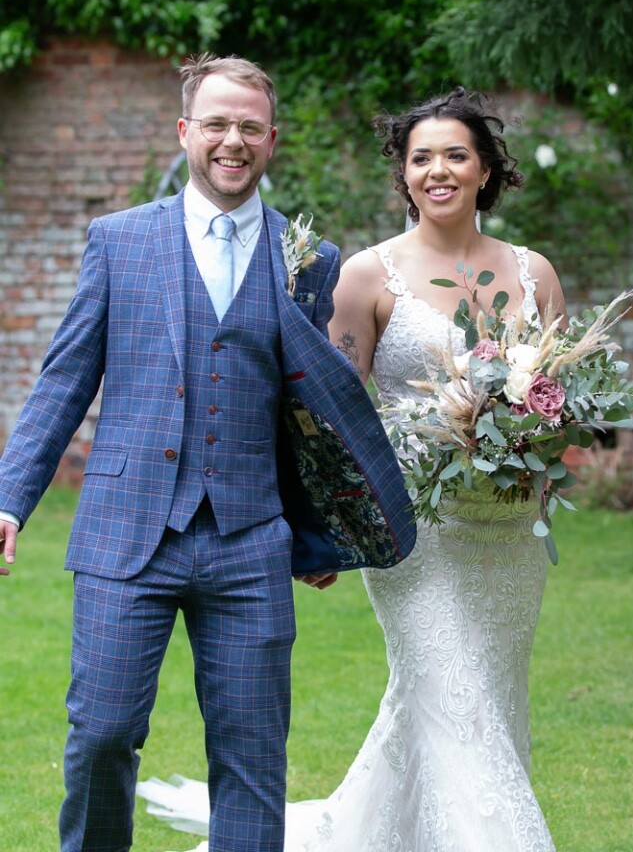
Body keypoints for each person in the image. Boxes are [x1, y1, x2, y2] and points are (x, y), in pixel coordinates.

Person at [0, 53, 416, 852]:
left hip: (249, 539)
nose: (234, 141)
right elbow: (64, 381)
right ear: (186, 131)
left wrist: (318, 529)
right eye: (217, 124)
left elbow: (310, 408)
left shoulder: (309, 259)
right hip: (126, 532)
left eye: (250, 128)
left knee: (252, 756)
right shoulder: (119, 241)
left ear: (272, 140)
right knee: (101, 735)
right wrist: (11, 498)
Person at [138, 87, 565, 851]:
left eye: (456, 155)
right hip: (416, 534)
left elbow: (562, 398)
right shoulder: (367, 276)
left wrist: (538, 436)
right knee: (457, 702)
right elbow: (323, 413)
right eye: (421, 158)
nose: (438, 170)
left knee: (483, 706)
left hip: (510, 537)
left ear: (485, 168)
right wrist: (321, 526)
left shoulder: (535, 272)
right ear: (403, 174)